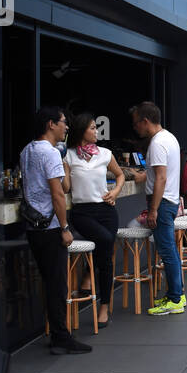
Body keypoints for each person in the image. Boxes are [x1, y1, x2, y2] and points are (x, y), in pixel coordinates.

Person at [20, 107, 91, 353]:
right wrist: (64, 227)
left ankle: (57, 333)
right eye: (63, 122)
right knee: (58, 285)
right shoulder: (49, 153)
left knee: (50, 282)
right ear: (51, 124)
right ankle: (61, 338)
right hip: (50, 228)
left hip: (32, 227)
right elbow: (58, 193)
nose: (67, 127)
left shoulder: (27, 151)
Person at [63, 112, 125, 327]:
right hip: (82, 213)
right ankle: (88, 276)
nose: (96, 131)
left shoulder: (105, 154)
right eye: (92, 128)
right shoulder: (69, 156)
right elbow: (66, 188)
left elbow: (120, 175)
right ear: (82, 131)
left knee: (106, 258)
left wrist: (115, 192)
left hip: (106, 210)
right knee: (106, 241)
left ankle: (104, 306)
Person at [130, 101, 184, 315]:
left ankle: (175, 300)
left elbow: (161, 177)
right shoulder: (169, 138)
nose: (135, 128)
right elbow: (159, 174)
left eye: (136, 124)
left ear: (145, 121)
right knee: (170, 251)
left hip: (162, 203)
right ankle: (176, 295)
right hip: (169, 201)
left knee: (167, 252)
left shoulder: (156, 144)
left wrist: (153, 210)